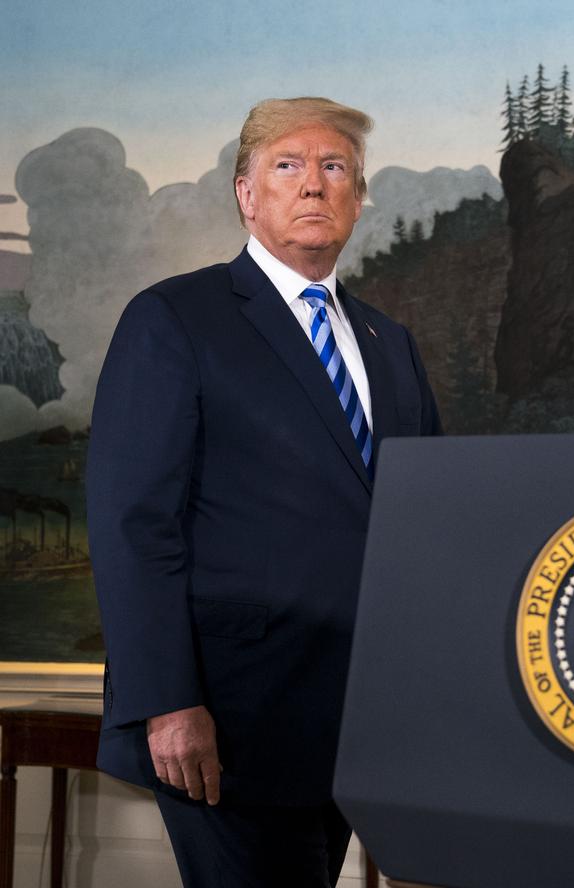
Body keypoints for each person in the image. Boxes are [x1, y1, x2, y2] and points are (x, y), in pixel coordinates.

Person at [87, 96, 441, 887]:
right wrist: (166, 702)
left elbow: (423, 524)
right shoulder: (175, 318)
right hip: (226, 724)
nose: (313, 183)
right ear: (247, 195)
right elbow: (132, 524)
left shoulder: (391, 344)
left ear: (358, 196)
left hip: (358, 723)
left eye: (334, 167)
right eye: (288, 165)